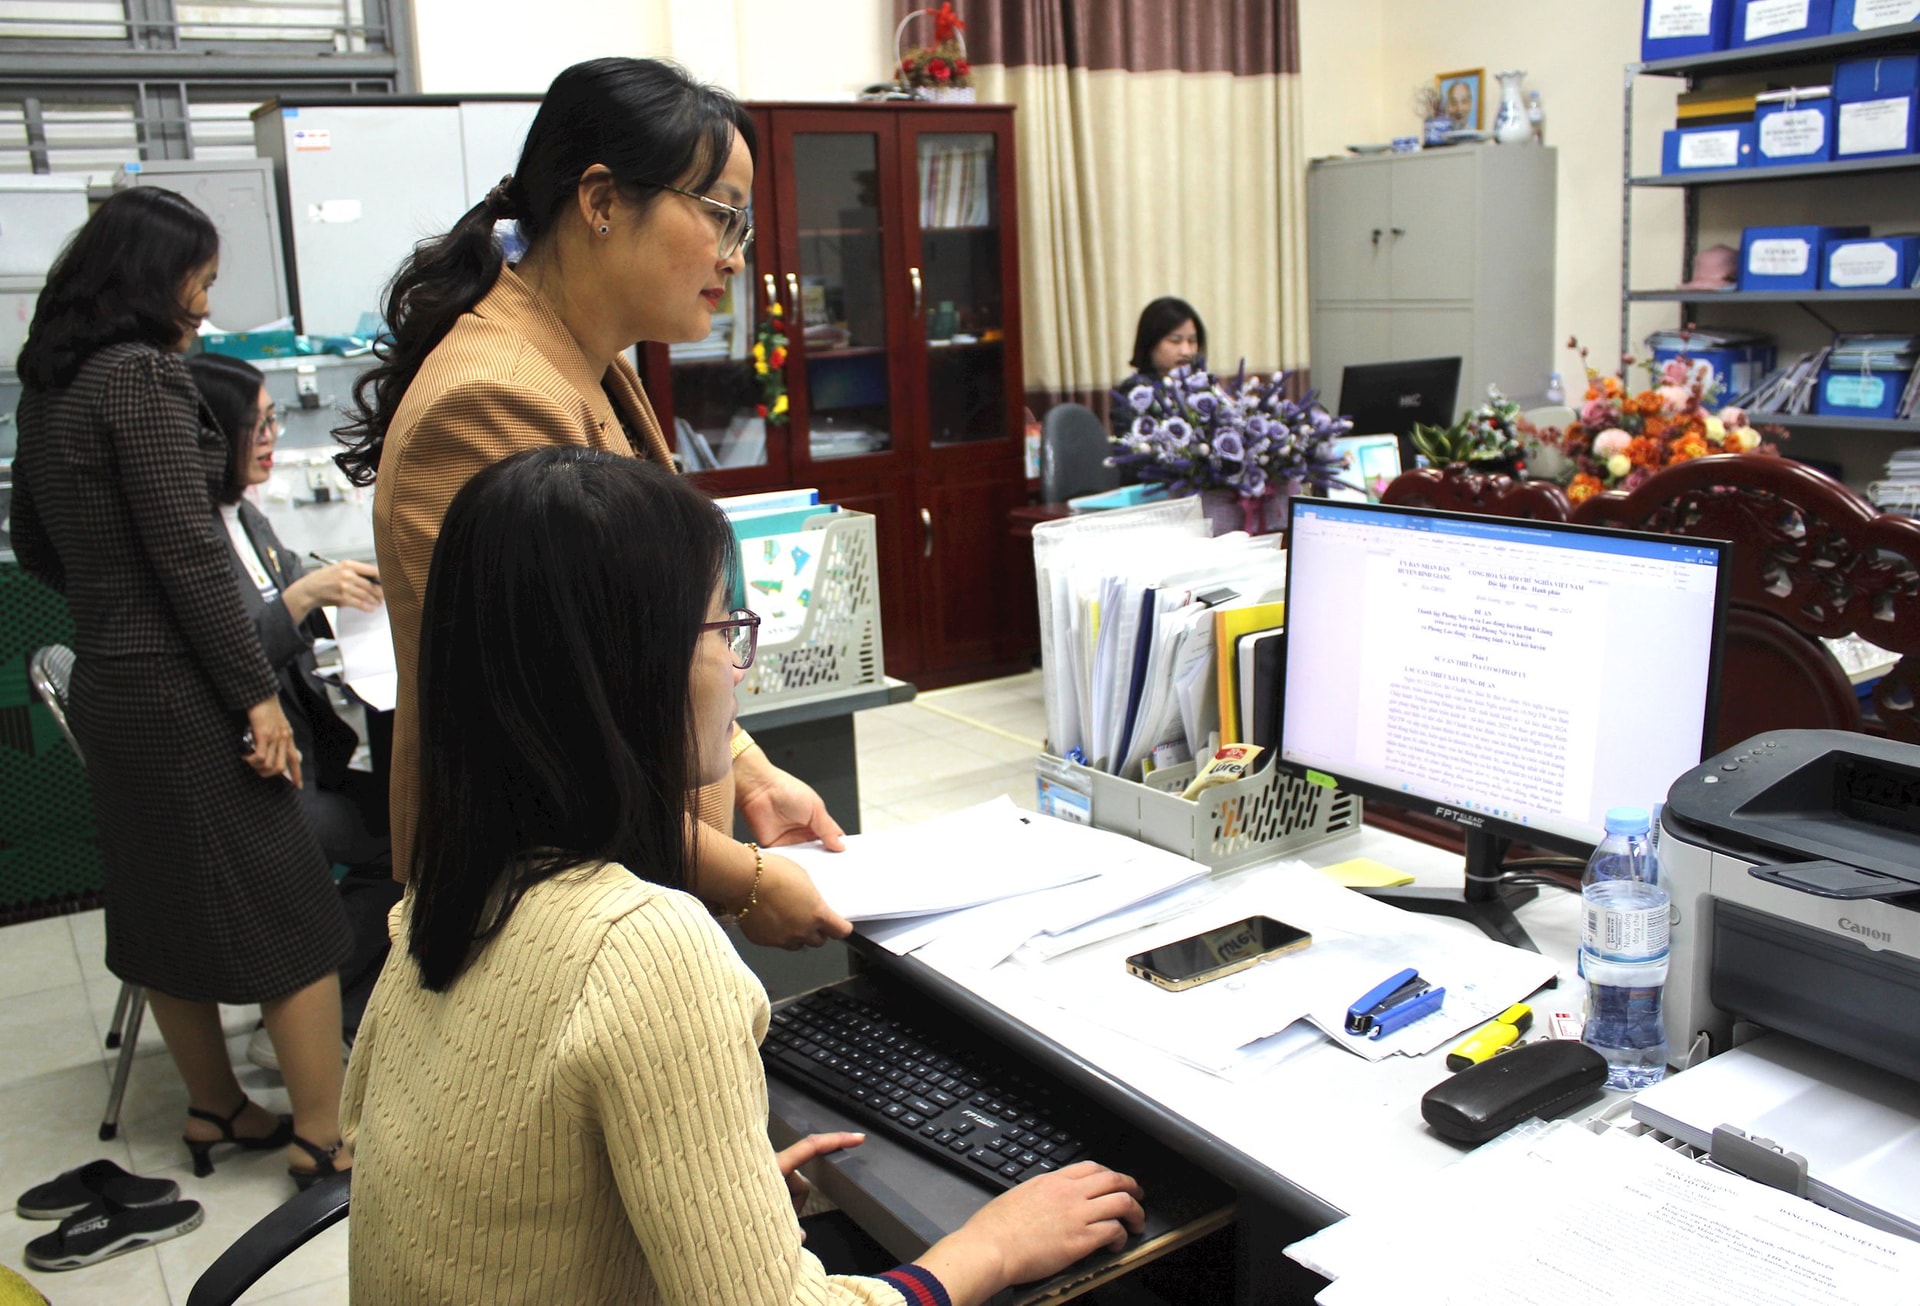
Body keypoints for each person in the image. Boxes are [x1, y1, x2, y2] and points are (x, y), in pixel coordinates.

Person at [341, 447, 1146, 1304]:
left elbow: (498, 1185)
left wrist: (708, 1198)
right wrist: (990, 1247)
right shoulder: (641, 944)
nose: (738, 670)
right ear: (628, 667)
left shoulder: (451, 889)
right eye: (726, 630)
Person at [332, 57, 850, 949]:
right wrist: (745, 877)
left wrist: (750, 774)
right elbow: (547, 749)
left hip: (620, 880)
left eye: (745, 222)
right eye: (721, 214)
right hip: (541, 908)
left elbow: (632, 632)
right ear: (602, 201)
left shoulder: (584, 359)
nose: (736, 253)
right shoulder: (491, 399)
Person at [10, 187, 352, 1188]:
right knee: (292, 915)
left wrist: (114, 605)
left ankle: (215, 1107)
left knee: (162, 909)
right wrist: (253, 696)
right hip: (190, 693)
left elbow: (38, 545)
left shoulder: (50, 388)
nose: (205, 299)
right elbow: (194, 557)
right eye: (198, 277)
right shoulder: (142, 382)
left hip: (112, 682)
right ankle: (323, 1134)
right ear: (150, 277)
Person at [187, 352, 387, 869]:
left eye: (273, 420)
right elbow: (228, 658)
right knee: (403, 846)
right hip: (266, 778)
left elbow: (295, 579)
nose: (270, 437)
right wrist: (305, 597)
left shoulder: (246, 516)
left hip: (315, 752)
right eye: (253, 427)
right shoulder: (196, 539)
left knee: (407, 819)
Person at [1110, 296, 1209, 440]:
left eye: (1192, 341)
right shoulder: (1135, 391)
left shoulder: (1200, 387)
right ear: (1150, 343)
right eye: (1175, 341)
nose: (1186, 351)